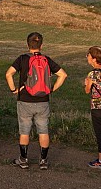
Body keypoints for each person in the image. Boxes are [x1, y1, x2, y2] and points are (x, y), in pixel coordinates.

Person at [5, 32, 67, 169]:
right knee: (43, 131)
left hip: (25, 101)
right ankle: (43, 160)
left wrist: (13, 89)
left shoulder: (22, 59)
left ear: (27, 44)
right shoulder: (46, 59)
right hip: (43, 101)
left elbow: (9, 74)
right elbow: (63, 75)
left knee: (24, 131)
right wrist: (51, 89)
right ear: (41, 45)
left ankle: (23, 159)